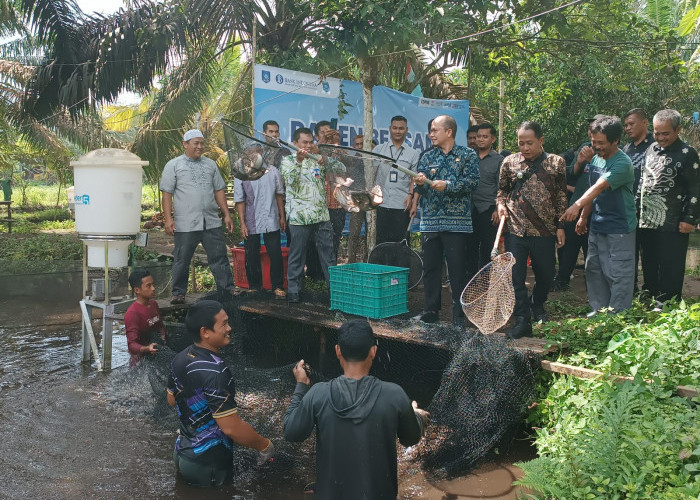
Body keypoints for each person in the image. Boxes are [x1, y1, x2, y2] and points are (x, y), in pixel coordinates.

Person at [283, 319, 429, 500]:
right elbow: (410, 438)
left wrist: (300, 386)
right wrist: (416, 414)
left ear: (338, 351)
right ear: (373, 351)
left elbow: (291, 432)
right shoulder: (395, 395)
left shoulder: (318, 394)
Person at [167, 300, 275, 487]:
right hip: (207, 464)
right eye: (224, 324)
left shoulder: (180, 357)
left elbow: (171, 399)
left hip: (182, 453)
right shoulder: (217, 371)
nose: (229, 328)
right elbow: (231, 428)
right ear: (205, 332)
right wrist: (265, 445)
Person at [496, 121, 567, 339]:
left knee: (546, 274)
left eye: (529, 143)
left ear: (541, 141)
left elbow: (561, 195)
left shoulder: (556, 163)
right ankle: (522, 319)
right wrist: (500, 205)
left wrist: (561, 226)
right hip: (516, 229)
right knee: (515, 277)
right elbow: (502, 190)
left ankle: (538, 304)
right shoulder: (509, 162)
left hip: (544, 231)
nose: (525, 148)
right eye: (521, 143)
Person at [561, 116, 637, 314]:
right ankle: (599, 310)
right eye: (593, 142)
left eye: (601, 143)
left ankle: (618, 315)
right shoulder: (595, 158)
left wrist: (576, 206)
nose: (596, 147)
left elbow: (599, 187)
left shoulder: (622, 163)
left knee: (618, 272)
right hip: (597, 224)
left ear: (615, 141)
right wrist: (584, 217)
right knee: (594, 269)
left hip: (619, 227)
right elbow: (592, 193)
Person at [413, 115, 480, 326]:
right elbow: (419, 189)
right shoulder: (426, 156)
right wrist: (420, 184)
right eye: (430, 130)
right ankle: (430, 311)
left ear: (448, 132)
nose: (431, 134)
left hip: (456, 223)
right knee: (431, 268)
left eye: (435, 130)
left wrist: (448, 185)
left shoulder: (467, 154)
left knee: (457, 269)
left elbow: (472, 182)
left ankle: (459, 315)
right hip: (430, 222)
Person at [160, 129, 235, 304]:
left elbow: (219, 190)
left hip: (211, 221)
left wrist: (226, 214)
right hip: (186, 223)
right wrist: (168, 219)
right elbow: (167, 194)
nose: (200, 146)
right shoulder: (174, 165)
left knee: (219, 257)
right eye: (196, 143)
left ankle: (227, 290)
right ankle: (178, 293)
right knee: (182, 259)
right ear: (185, 144)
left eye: (202, 143)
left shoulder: (210, 164)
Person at [637, 109, 700, 303]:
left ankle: (667, 300)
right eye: (657, 132)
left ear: (678, 129)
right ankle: (650, 293)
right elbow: (643, 181)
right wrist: (636, 210)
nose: (660, 137)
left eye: (666, 133)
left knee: (670, 262)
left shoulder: (687, 153)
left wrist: (689, 218)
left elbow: (695, 189)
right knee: (649, 260)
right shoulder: (650, 149)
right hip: (647, 219)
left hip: (674, 221)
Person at [280, 127, 345, 303]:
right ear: (295, 144)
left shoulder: (317, 160)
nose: (308, 146)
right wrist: (299, 161)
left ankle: (335, 292)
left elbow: (341, 167)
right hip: (299, 218)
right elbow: (290, 180)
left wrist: (325, 158)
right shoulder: (287, 161)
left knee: (329, 256)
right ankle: (294, 291)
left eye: (310, 142)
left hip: (322, 216)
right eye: (304, 143)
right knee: (297, 255)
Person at [234, 147, 287, 298]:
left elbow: (279, 195)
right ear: (246, 154)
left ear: (262, 154)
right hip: (251, 219)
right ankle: (254, 287)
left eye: (258, 152)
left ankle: (277, 286)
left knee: (275, 253)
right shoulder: (241, 173)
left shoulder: (272, 171)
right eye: (251, 152)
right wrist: (242, 223)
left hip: (272, 217)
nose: (254, 155)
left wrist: (282, 216)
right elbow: (240, 200)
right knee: (251, 253)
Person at [552, 119, 596, 291]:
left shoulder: (614, 152)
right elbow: (570, 172)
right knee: (568, 245)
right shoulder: (585, 146)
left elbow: (603, 176)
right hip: (576, 205)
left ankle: (592, 285)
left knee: (590, 249)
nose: (591, 132)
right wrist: (579, 161)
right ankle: (562, 280)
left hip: (596, 209)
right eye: (590, 129)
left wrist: (593, 160)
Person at [372, 116, 421, 244]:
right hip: (381, 204)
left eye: (401, 128)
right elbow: (371, 174)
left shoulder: (413, 153)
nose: (397, 131)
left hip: (402, 205)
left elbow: (414, 179)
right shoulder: (379, 150)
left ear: (406, 130)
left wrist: (411, 196)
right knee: (381, 243)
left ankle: (400, 265)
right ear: (390, 129)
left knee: (401, 244)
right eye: (395, 128)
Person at [622, 108, 654, 292]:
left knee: (649, 251)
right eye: (625, 125)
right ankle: (630, 287)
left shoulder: (655, 146)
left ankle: (650, 289)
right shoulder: (627, 148)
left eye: (631, 123)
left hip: (648, 209)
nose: (627, 128)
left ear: (644, 122)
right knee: (629, 250)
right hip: (628, 209)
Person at [467, 123, 504, 275]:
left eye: (484, 137)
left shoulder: (499, 160)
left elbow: (502, 187)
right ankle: (469, 283)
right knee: (469, 248)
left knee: (487, 250)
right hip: (468, 210)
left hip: (488, 210)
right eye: (478, 137)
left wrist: (497, 209)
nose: (480, 140)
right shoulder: (468, 157)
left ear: (493, 139)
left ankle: (485, 284)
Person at [124, 269, 166, 367]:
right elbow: (131, 345)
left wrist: (163, 336)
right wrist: (147, 348)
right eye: (148, 286)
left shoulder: (153, 304)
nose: (153, 288)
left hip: (157, 352)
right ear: (137, 290)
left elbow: (160, 325)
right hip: (140, 362)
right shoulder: (132, 313)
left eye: (153, 284)